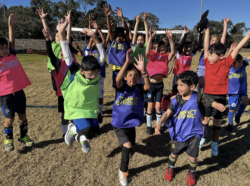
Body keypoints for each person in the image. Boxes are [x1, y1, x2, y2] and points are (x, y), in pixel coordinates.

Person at [155, 71, 225, 186]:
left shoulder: (198, 96)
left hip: (194, 134)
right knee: (174, 154)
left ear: (192, 87)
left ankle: (191, 172)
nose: (178, 88)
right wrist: (159, 124)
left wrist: (217, 105)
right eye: (178, 85)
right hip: (179, 134)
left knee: (193, 158)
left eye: (182, 85)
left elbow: (209, 101)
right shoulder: (176, 99)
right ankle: (171, 167)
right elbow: (167, 113)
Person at [199, 20, 250, 156]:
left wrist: (249, 34)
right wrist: (207, 29)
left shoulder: (227, 62)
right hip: (207, 96)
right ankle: (203, 138)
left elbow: (238, 48)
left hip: (220, 96)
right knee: (205, 119)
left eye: (212, 55)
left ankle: (215, 144)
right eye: (208, 54)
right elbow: (205, 45)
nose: (208, 56)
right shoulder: (207, 61)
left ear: (221, 56)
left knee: (216, 122)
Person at [57, 17, 105, 154]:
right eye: (90, 74)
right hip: (76, 108)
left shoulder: (96, 71)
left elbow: (102, 54)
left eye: (95, 73)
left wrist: (95, 36)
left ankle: (80, 137)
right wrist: (61, 33)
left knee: (95, 133)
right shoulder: (74, 70)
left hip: (90, 108)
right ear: (82, 71)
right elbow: (66, 50)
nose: (94, 76)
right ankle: (72, 130)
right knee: (87, 130)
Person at [111, 52, 150, 186]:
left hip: (131, 123)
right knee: (127, 146)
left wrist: (143, 71)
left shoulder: (139, 88)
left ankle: (126, 154)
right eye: (130, 75)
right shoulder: (122, 88)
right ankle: (123, 172)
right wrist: (127, 63)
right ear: (126, 78)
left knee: (131, 146)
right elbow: (117, 80)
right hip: (119, 123)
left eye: (135, 75)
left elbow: (148, 86)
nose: (132, 78)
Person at [0, 14, 34, 151]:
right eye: (1, 48)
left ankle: (23, 136)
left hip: (19, 92)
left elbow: (12, 39)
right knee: (9, 119)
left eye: (5, 47)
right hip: (6, 96)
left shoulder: (12, 55)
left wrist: (11, 24)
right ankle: (8, 140)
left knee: (23, 116)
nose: (5, 49)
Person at [145, 27, 175, 135]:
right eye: (158, 48)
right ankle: (149, 126)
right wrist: (150, 38)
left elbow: (173, 52)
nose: (160, 50)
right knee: (149, 107)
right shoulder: (152, 55)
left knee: (158, 107)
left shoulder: (166, 57)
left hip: (160, 85)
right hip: (150, 85)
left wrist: (170, 39)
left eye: (162, 49)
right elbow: (147, 51)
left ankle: (158, 126)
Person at [83, 19, 108, 124]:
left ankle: (100, 112)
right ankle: (90, 114)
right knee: (91, 97)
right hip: (89, 79)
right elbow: (91, 40)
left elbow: (103, 42)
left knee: (100, 97)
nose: (93, 41)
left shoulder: (99, 51)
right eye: (92, 40)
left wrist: (98, 31)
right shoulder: (87, 50)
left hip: (99, 77)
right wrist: (93, 32)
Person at [197, 17, 230, 90]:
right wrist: (207, 27)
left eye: (216, 41)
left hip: (212, 68)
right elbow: (206, 41)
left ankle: (206, 96)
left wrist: (225, 24)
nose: (214, 42)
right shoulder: (207, 47)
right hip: (202, 67)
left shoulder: (218, 49)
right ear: (209, 41)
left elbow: (224, 36)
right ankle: (197, 96)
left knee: (208, 85)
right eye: (212, 40)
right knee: (201, 83)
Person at [103, 4, 130, 90]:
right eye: (117, 36)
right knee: (117, 88)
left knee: (126, 88)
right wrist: (108, 17)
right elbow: (110, 30)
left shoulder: (126, 42)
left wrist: (122, 18)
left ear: (123, 36)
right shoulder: (113, 42)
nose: (119, 37)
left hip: (125, 69)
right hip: (116, 70)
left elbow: (127, 30)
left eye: (121, 35)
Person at [227, 44, 249, 131]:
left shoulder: (244, 65)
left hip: (242, 90)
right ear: (233, 62)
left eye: (241, 61)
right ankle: (230, 123)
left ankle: (239, 115)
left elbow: (249, 57)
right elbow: (228, 59)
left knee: (245, 100)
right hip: (232, 92)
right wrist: (231, 50)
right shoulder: (229, 68)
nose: (240, 63)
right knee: (232, 108)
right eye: (238, 62)